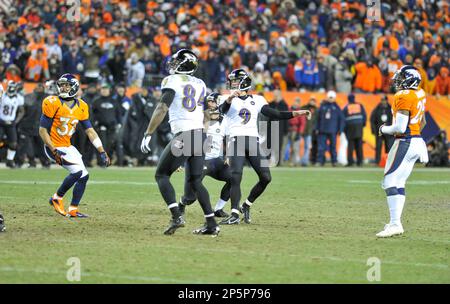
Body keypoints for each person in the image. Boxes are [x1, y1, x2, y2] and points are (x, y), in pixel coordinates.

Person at [140, 49, 219, 236]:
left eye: (176, 62)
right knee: (195, 181)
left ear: (184, 64)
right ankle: (211, 224)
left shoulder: (172, 81)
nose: (173, 65)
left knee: (161, 174)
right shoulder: (200, 83)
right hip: (199, 135)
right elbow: (204, 113)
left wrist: (148, 132)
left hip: (185, 135)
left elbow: (161, 107)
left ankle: (177, 216)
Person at [218, 69, 311, 225]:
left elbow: (275, 114)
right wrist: (229, 99)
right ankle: (234, 213)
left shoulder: (258, 100)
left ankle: (246, 205)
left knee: (266, 178)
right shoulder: (227, 99)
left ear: (244, 83)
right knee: (235, 177)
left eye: (235, 81)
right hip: (236, 140)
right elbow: (222, 110)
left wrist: (297, 113)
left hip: (253, 141)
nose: (232, 84)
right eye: (232, 81)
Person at [39, 74, 111, 218]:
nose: (63, 87)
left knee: (84, 175)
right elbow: (42, 130)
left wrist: (101, 151)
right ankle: (56, 198)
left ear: (75, 88)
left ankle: (73, 209)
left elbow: (90, 130)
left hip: (67, 145)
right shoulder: (52, 102)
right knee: (77, 172)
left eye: (67, 85)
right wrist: (53, 150)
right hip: (52, 146)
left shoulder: (82, 106)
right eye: (62, 85)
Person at [376, 65, 429, 237]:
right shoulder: (419, 93)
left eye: (401, 78)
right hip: (417, 141)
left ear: (409, 79)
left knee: (389, 180)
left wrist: (383, 129)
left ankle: (395, 224)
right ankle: (395, 223)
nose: (397, 81)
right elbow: (423, 123)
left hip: (405, 141)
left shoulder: (403, 96)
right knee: (398, 182)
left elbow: (399, 127)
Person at [179, 92, 232, 218]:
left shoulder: (225, 121)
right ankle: (182, 203)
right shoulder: (200, 118)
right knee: (191, 198)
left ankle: (218, 209)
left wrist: (229, 155)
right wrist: (180, 161)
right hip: (198, 160)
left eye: (213, 101)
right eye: (208, 101)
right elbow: (186, 139)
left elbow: (229, 138)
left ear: (218, 103)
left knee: (234, 177)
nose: (210, 104)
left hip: (215, 160)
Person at [17, 82, 50, 168]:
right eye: (38, 87)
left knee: (41, 146)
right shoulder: (28, 97)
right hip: (27, 125)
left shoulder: (47, 98)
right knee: (27, 146)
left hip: (41, 127)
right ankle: (29, 162)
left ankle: (45, 162)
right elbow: (21, 111)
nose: (39, 88)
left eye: (40, 87)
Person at [316, 90, 344, 166]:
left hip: (333, 130)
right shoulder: (322, 106)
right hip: (322, 130)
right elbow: (317, 118)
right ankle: (320, 161)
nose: (330, 99)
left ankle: (334, 161)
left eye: (332, 97)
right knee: (321, 147)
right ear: (327, 97)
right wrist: (317, 128)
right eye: (329, 97)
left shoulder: (337, 107)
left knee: (333, 147)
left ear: (334, 98)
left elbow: (341, 119)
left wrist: (340, 130)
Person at [0, 81, 25, 168]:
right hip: (1, 122)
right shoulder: (2, 96)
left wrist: (16, 121)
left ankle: (9, 160)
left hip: (11, 123)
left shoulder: (19, 98)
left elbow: (22, 111)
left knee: (14, 143)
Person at [342, 94, 366, 166]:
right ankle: (360, 161)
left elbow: (343, 119)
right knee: (359, 145)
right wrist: (363, 125)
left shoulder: (346, 107)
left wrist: (344, 129)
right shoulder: (359, 105)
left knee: (350, 146)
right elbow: (364, 116)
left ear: (348, 99)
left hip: (350, 128)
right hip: (359, 127)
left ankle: (350, 162)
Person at [370, 95, 394, 164]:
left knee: (388, 147)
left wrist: (393, 130)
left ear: (387, 100)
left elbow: (394, 119)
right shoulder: (377, 109)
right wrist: (374, 130)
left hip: (388, 131)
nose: (383, 102)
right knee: (378, 147)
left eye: (384, 100)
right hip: (379, 131)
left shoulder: (391, 109)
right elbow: (372, 120)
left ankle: (388, 162)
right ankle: (377, 161)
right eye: (382, 100)